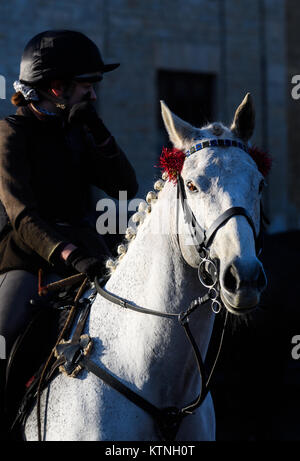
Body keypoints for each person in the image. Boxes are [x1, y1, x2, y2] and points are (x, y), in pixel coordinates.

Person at [0, 29, 138, 431]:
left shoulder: (78, 129)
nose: (93, 95)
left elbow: (125, 187)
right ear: (57, 88)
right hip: (31, 260)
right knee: (5, 331)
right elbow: (22, 216)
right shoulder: (11, 132)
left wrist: (96, 130)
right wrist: (68, 255)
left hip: (90, 256)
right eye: (86, 87)